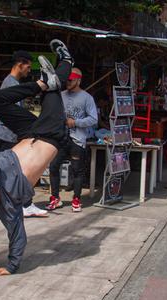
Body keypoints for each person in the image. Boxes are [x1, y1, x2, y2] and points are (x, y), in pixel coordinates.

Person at [0, 39, 73, 276]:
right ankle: (66, 61)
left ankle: (40, 84)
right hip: (50, 136)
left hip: (27, 132)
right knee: (55, 90)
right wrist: (12, 266)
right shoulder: (7, 207)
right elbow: (16, 232)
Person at [0, 50, 48, 219]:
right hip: (7, 135)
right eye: (28, 66)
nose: (29, 70)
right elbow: (9, 114)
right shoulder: (10, 83)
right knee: (5, 172)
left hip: (11, 134)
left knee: (16, 171)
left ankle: (25, 204)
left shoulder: (12, 82)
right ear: (20, 65)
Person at [47, 68, 97, 211]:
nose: (68, 82)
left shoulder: (87, 98)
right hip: (61, 138)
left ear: (78, 80)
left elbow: (94, 119)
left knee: (77, 170)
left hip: (77, 139)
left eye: (71, 80)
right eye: (67, 80)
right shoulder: (60, 95)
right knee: (54, 166)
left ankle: (76, 199)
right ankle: (55, 198)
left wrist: (76, 122)